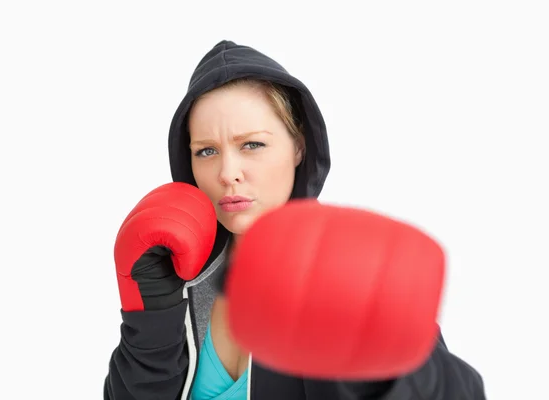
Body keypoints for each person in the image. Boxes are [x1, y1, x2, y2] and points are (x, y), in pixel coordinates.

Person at [104, 40, 486, 399]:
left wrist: (380, 367)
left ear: (299, 147)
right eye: (206, 151)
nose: (227, 172)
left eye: (252, 144)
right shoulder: (176, 275)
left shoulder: (340, 267)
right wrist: (151, 318)